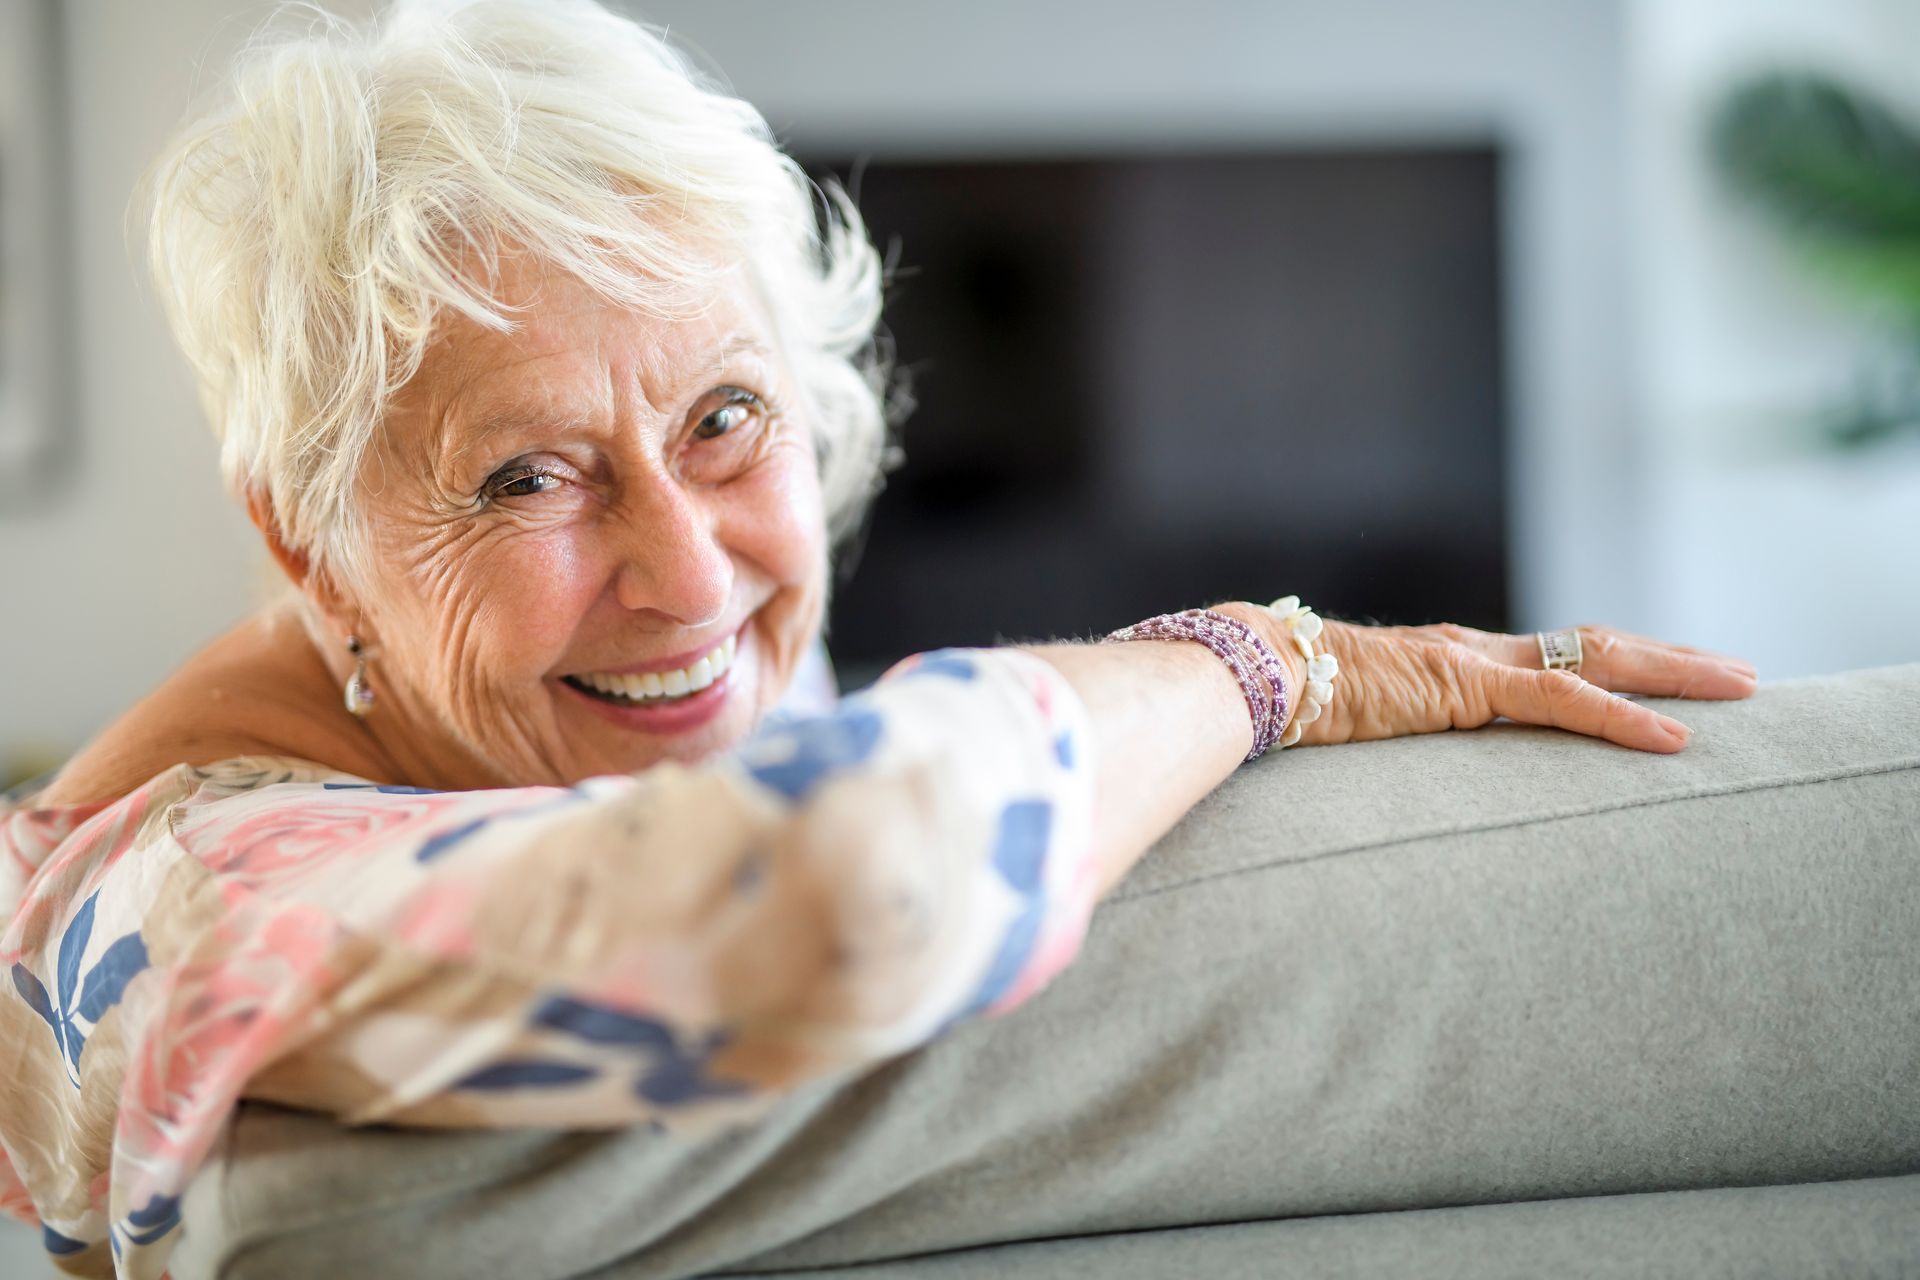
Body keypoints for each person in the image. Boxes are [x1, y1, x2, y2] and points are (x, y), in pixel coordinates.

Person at [0, 2, 1758, 1276]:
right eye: (528, 476)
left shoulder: (528, 717)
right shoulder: (182, 888)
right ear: (306, 536)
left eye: (724, 418)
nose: (693, 585)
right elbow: (862, 882)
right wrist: (1275, 661)